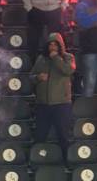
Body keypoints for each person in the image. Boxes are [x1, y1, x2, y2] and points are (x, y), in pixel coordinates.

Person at [30, 32, 76, 162]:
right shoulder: (41, 59)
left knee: (63, 135)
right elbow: (31, 77)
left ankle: (67, 161)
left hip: (62, 104)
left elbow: (68, 70)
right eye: (50, 44)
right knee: (40, 136)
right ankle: (37, 161)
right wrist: (38, 77)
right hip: (43, 104)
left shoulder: (68, 57)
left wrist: (56, 58)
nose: (53, 47)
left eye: (55, 44)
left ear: (61, 45)